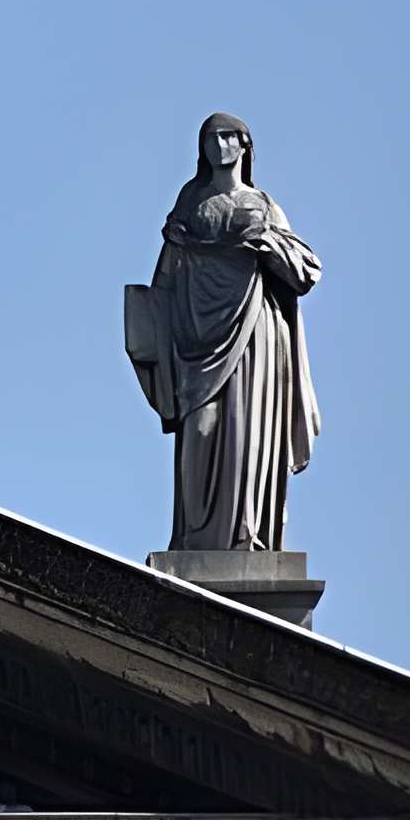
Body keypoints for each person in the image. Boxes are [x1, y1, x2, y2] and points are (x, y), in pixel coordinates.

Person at [134, 113, 322, 552]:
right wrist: (151, 320)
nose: (218, 146)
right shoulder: (190, 203)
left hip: (252, 333)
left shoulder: (262, 205)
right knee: (200, 432)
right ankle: (195, 541)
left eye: (226, 136)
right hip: (196, 337)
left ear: (244, 145)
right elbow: (168, 270)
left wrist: (268, 245)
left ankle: (245, 534)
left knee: (245, 431)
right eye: (209, 138)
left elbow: (306, 270)